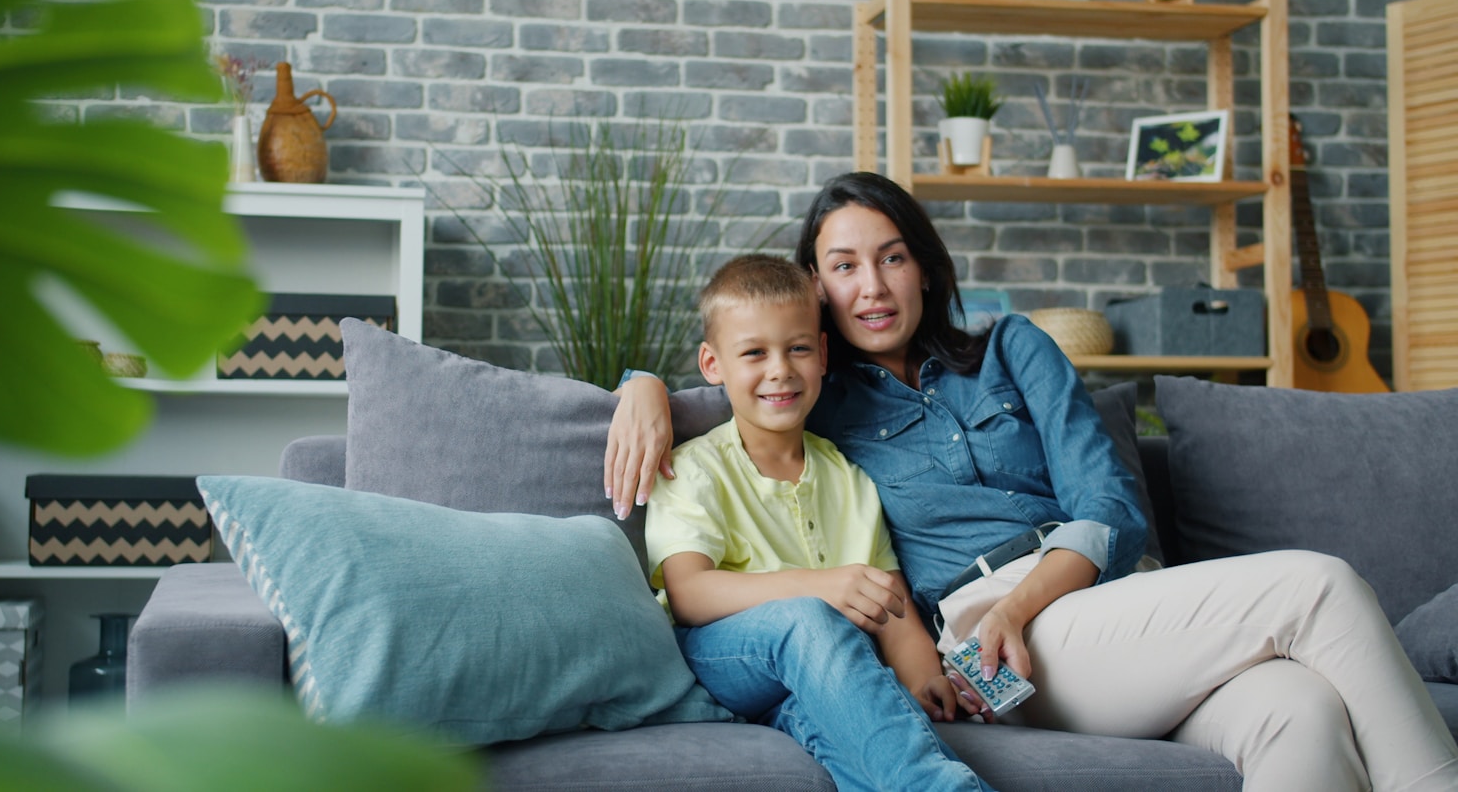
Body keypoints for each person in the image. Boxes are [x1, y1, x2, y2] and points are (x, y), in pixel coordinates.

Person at [610, 171, 1458, 792]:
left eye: (893, 257)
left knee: (1299, 710)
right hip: (994, 641)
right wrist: (639, 385)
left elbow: (1110, 507)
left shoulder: (1013, 347)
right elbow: (737, 375)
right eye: (844, 266)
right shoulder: (819, 394)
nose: (872, 286)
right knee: (1318, 585)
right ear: (817, 292)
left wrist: (1024, 603)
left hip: (1106, 604)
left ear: (925, 266)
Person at [645, 253, 995, 792]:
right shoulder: (694, 468)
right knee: (810, 618)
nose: (780, 370)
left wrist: (925, 676)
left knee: (865, 744)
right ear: (713, 364)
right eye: (755, 353)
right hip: (723, 658)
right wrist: (819, 587)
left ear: (823, 354)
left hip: (822, 676)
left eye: (799, 348)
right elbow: (688, 593)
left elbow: (889, 604)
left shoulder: (848, 476)